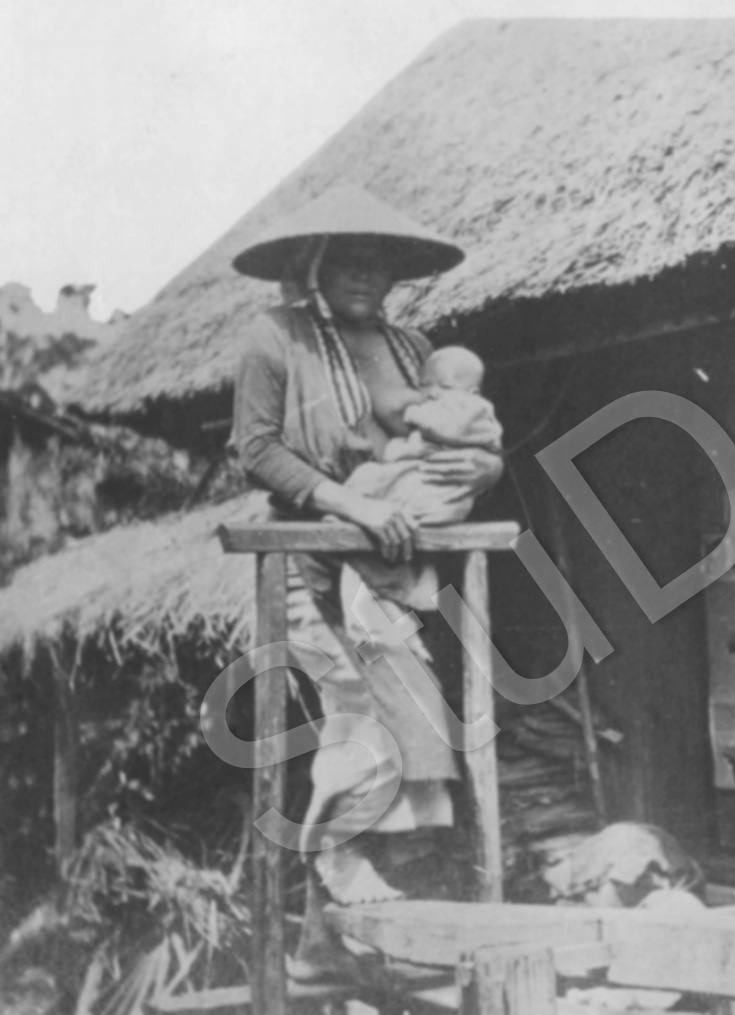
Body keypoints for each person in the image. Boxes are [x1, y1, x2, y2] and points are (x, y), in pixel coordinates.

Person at [229, 185, 503, 978]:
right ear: (314, 262)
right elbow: (256, 450)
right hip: (312, 562)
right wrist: (352, 502)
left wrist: (465, 473)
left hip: (389, 571)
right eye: (347, 258)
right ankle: (336, 872)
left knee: (414, 734)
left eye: (378, 262)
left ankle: (329, 946)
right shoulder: (277, 336)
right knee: (354, 722)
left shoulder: (414, 348)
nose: (363, 273)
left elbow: (453, 432)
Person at [340, 345, 503, 609]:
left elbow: (452, 429)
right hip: (414, 486)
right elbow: (413, 446)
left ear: (473, 393)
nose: (433, 393)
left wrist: (415, 416)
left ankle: (410, 586)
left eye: (445, 387)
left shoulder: (473, 410)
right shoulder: (442, 408)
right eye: (425, 385)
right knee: (368, 482)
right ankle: (411, 584)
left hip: (437, 494)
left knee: (392, 524)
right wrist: (402, 449)